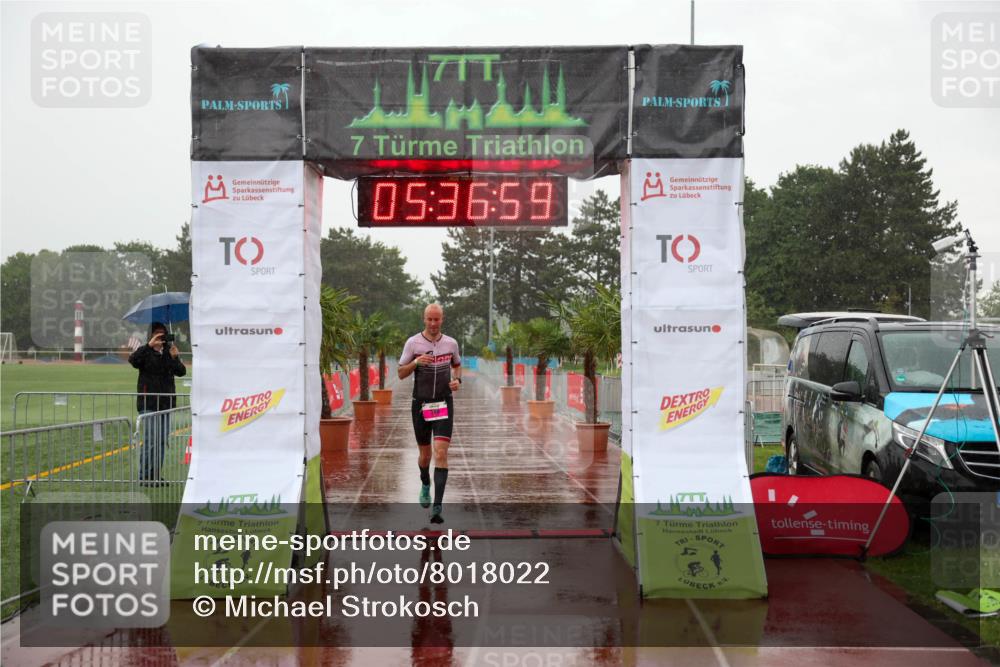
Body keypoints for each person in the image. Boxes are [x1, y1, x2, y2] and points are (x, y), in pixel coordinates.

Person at [398, 303, 461, 524]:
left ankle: (437, 506)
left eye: (437, 319)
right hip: (421, 405)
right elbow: (400, 373)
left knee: (441, 453)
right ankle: (425, 483)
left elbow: (457, 365)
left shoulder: (451, 343)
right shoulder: (413, 343)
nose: (433, 324)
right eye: (429, 319)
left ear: (442, 319)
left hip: (443, 404)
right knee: (425, 456)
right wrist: (415, 362)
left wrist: (457, 380)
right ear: (424, 319)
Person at [128, 321, 187, 486]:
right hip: (149, 403)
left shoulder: (169, 352)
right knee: (150, 441)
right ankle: (144, 476)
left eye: (163, 334)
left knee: (161, 441)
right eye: (157, 334)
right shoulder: (145, 352)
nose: (161, 337)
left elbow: (181, 372)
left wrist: (175, 357)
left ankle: (155, 475)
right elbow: (133, 360)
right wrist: (148, 346)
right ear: (151, 335)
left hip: (166, 404)